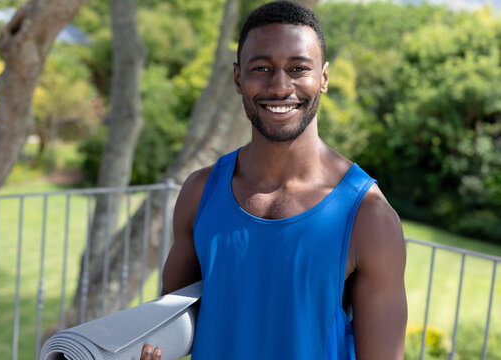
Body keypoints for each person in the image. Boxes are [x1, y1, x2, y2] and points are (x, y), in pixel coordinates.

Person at [141, 1, 407, 359]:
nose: (281, 86)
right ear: (238, 78)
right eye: (262, 68)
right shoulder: (200, 192)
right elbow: (171, 326)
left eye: (298, 68)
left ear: (323, 78)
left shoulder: (368, 216)